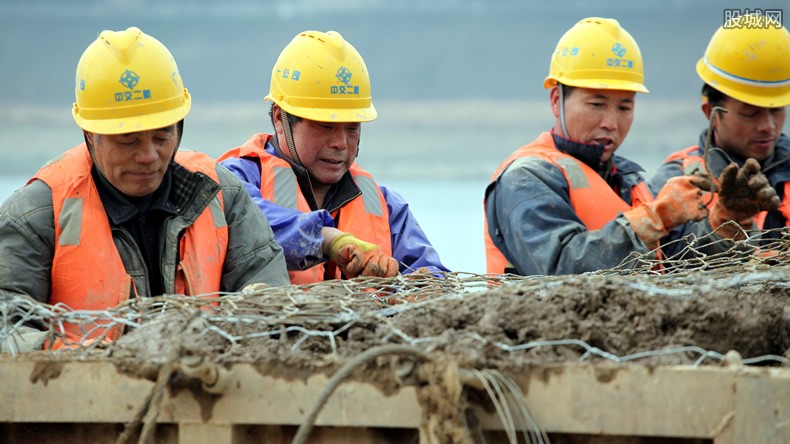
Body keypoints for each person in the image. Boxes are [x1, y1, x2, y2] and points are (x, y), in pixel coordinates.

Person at [0, 27, 289, 350]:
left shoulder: (221, 193)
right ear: (90, 134)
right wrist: (84, 361)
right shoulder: (38, 213)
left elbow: (266, 285)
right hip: (84, 393)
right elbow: (5, 320)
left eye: (162, 135)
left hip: (206, 388)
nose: (149, 156)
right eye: (128, 140)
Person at [484, 17, 712, 276]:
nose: (611, 123)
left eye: (624, 107)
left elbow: (678, 267)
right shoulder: (525, 178)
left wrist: (727, 224)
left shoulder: (628, 180)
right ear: (556, 99)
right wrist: (656, 218)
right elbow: (561, 267)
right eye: (596, 104)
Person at [219, 30, 448, 284]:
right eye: (325, 126)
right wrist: (329, 240)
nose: (340, 143)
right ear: (279, 118)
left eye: (352, 128)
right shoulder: (233, 180)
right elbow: (249, 222)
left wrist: (421, 288)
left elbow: (431, 275)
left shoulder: (386, 206)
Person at [649, 16, 787, 254]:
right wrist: (725, 225)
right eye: (750, 113)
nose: (767, 126)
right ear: (711, 113)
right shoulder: (678, 181)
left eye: (776, 110)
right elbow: (670, 264)